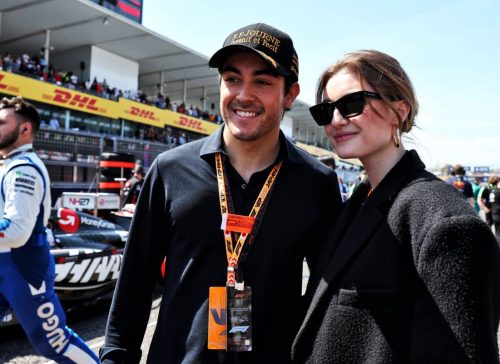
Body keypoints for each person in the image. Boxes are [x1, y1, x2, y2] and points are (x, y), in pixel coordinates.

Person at [101, 23, 341, 363]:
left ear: (289, 94)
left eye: (262, 81)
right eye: (232, 79)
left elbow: (326, 297)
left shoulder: (317, 183)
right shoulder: (170, 170)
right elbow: (133, 284)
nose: (244, 94)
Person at [292, 50, 500, 363]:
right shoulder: (353, 206)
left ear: (398, 111)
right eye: (326, 111)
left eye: (351, 104)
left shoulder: (444, 222)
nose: (336, 121)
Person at [0, 97, 99, 363]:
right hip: (5, 262)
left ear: (24, 130)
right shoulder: (8, 165)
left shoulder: (24, 170)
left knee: (53, 342)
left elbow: (16, 231)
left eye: (1, 123)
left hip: (23, 267)